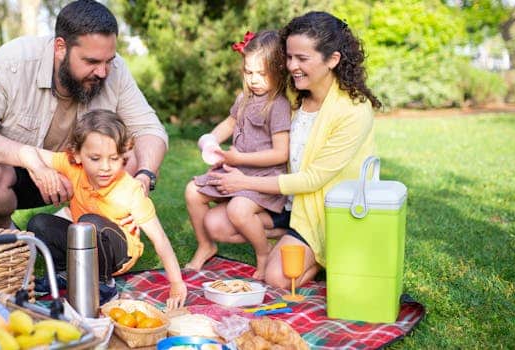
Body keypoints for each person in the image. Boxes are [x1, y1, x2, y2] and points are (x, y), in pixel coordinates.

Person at [0, 0, 167, 230]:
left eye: (109, 61)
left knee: (132, 156)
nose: (102, 72)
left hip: (79, 171)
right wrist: (26, 156)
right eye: (91, 61)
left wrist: (146, 175)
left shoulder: (114, 71)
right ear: (60, 48)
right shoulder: (13, 61)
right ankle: (13, 239)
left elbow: (149, 129)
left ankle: (78, 227)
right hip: (16, 171)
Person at [201, 11, 382, 290]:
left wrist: (244, 181)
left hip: (322, 214)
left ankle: (325, 255)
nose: (291, 66)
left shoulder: (353, 111)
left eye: (302, 59)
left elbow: (312, 179)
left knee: (277, 278)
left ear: (332, 60)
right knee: (215, 224)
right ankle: (286, 239)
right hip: (289, 204)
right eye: (289, 57)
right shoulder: (295, 97)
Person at [25, 110, 187, 310]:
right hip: (86, 243)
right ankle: (64, 274)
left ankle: (104, 285)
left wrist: (177, 283)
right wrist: (38, 168)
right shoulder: (73, 167)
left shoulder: (129, 190)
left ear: (123, 155)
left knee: (89, 222)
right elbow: (29, 152)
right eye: (95, 158)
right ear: (77, 154)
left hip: (117, 255)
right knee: (38, 223)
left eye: (114, 158)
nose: (105, 167)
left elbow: (160, 239)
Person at [184, 30, 291, 280]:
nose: (254, 80)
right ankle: (206, 245)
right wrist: (212, 139)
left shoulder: (278, 105)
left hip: (263, 176)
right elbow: (230, 123)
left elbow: (280, 153)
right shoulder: (244, 98)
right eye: (249, 72)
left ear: (279, 70)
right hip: (235, 167)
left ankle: (264, 253)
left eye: (262, 74)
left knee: (239, 210)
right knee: (192, 191)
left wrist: (238, 159)